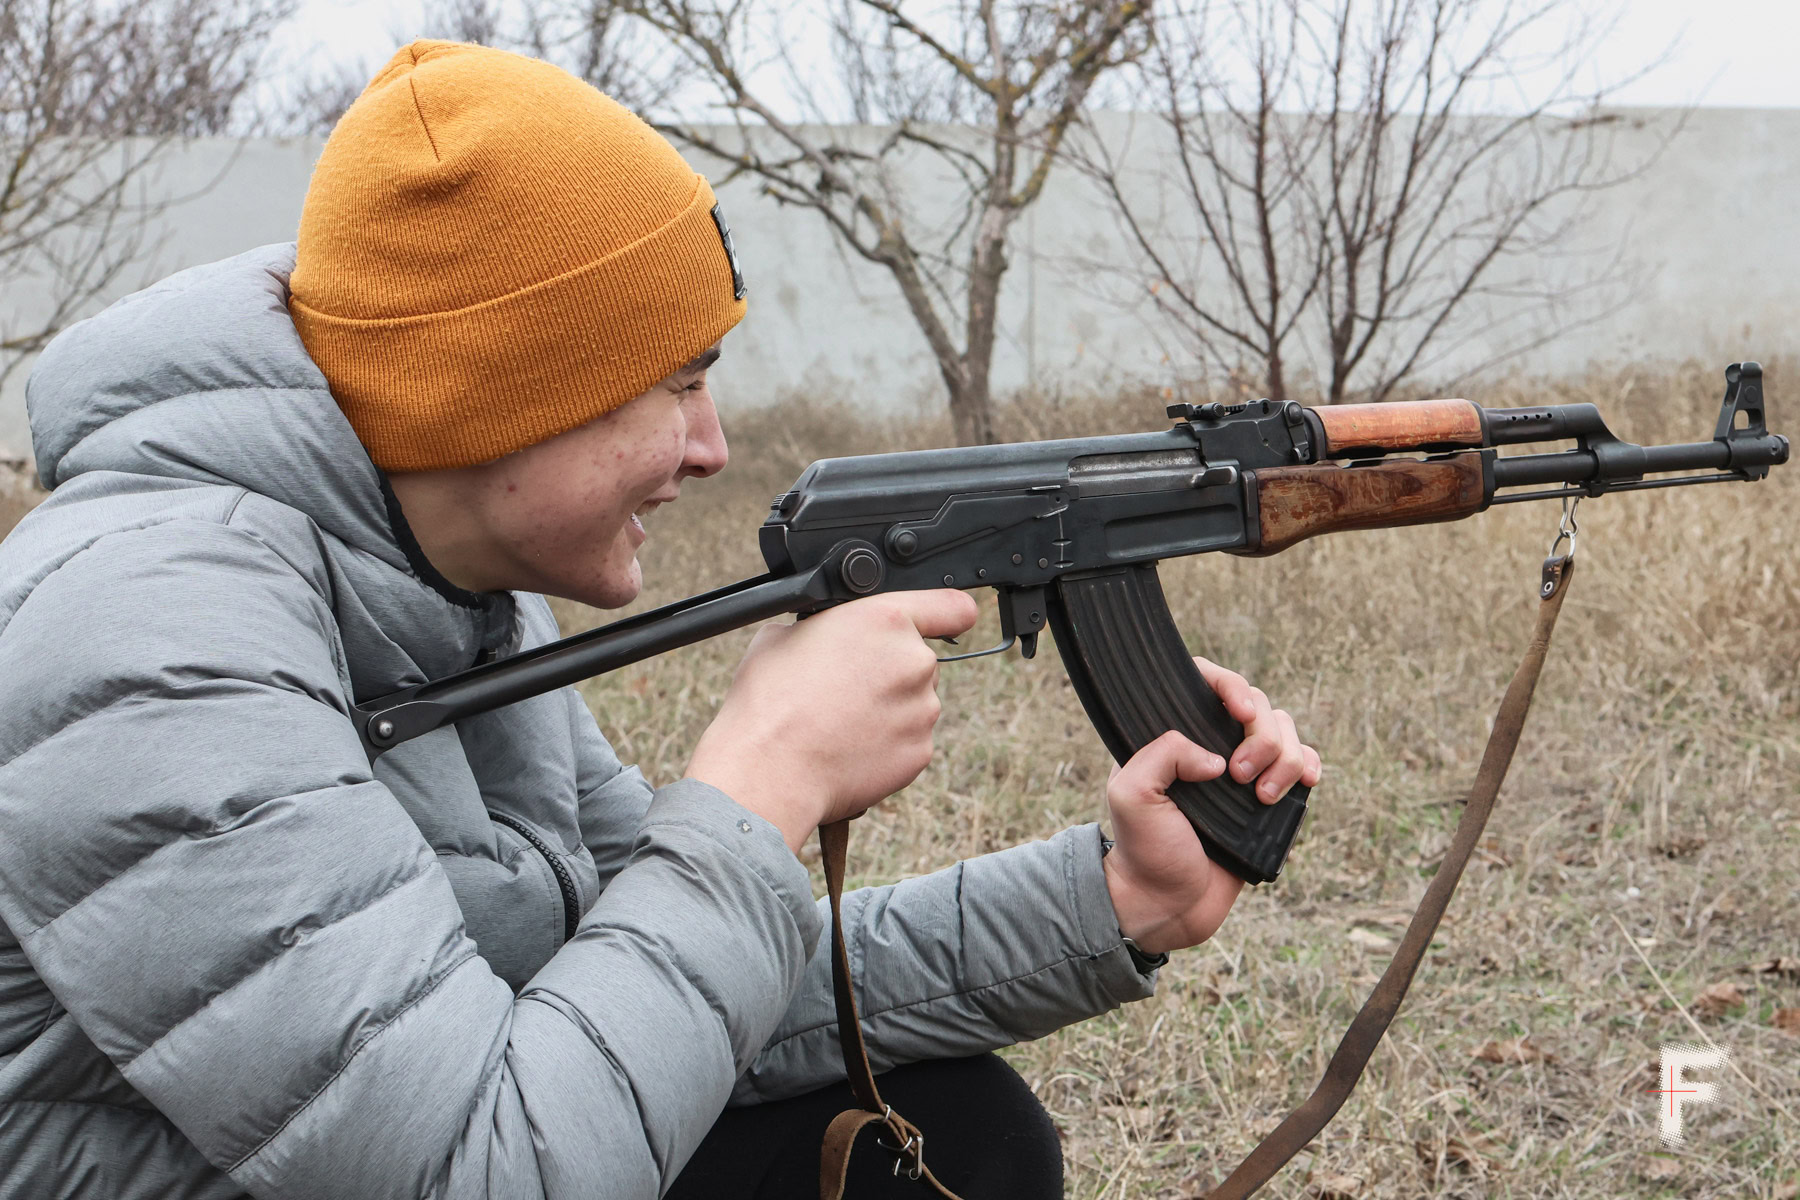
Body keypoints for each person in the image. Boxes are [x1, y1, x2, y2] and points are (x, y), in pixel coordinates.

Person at [0, 40, 1320, 1200]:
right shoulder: (149, 639)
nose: (712, 445)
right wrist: (759, 789)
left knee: (942, 1134)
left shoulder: (441, 593)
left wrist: (1108, 900)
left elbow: (692, 990)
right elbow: (482, 1171)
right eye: (675, 382)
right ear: (500, 395)